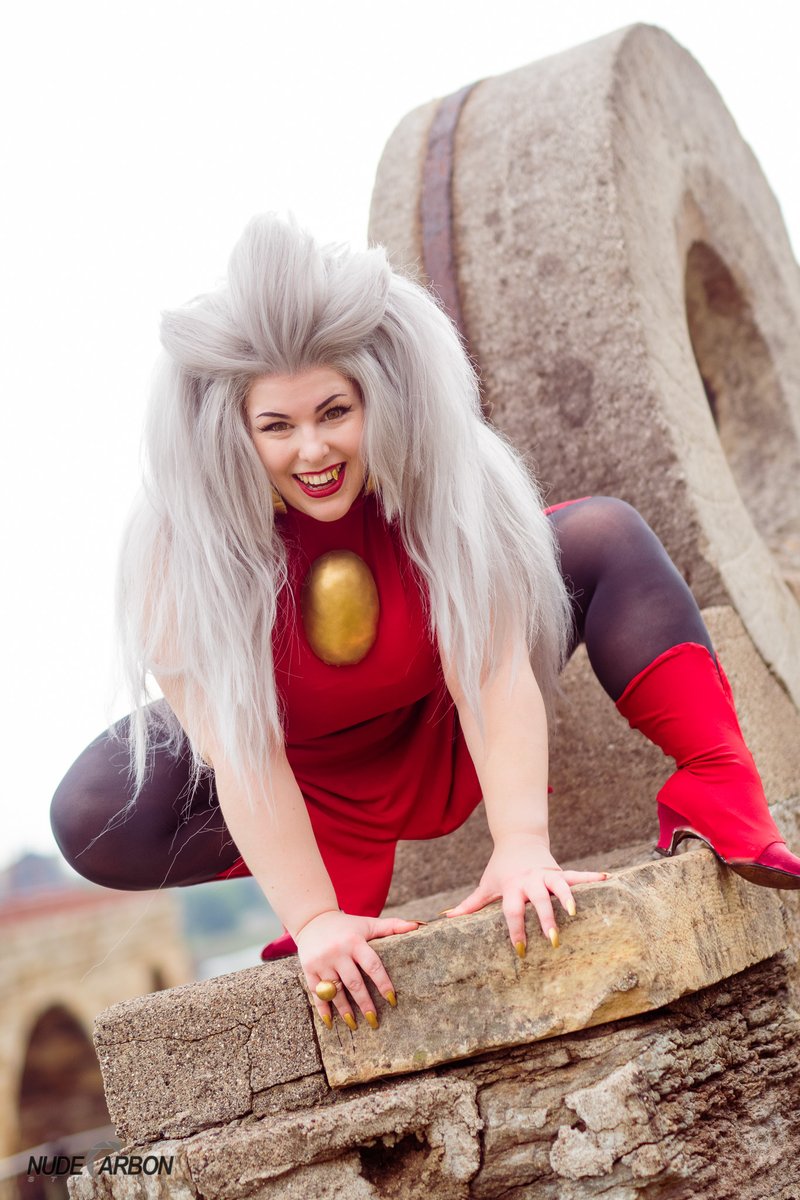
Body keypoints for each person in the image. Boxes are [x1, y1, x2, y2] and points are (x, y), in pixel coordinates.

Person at [51, 215, 800, 1034]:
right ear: (235, 430)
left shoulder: (454, 474)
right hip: (307, 770)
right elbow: (243, 754)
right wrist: (314, 917)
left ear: (373, 393)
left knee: (604, 532)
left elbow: (494, 669)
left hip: (445, 723)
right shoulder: (175, 555)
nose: (313, 451)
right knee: (90, 810)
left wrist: (522, 846)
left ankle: (717, 781)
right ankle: (331, 867)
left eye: (334, 411)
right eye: (277, 427)